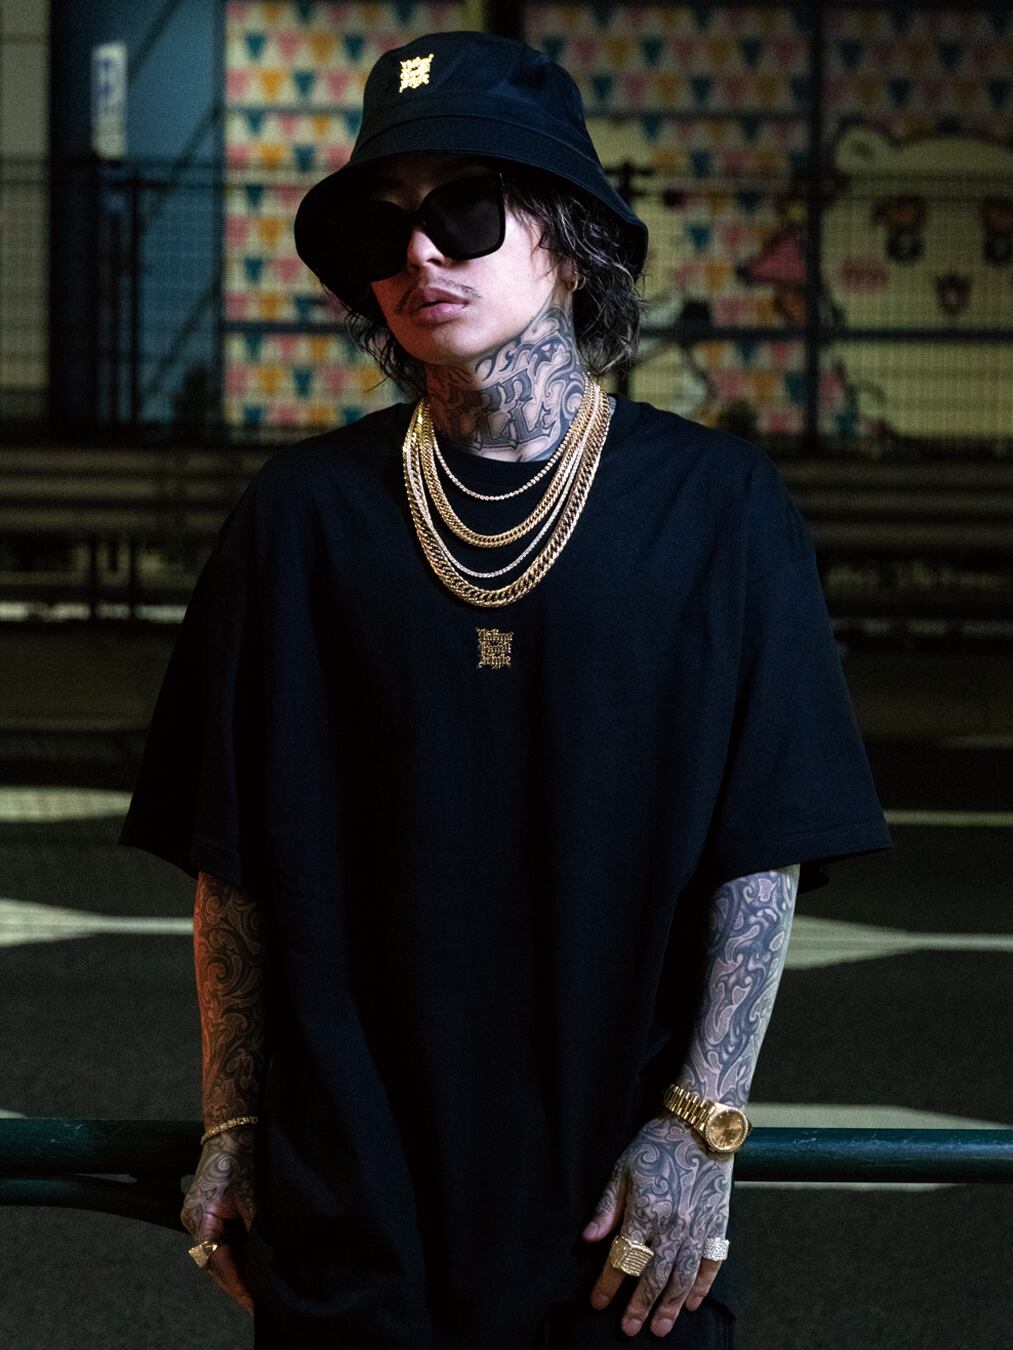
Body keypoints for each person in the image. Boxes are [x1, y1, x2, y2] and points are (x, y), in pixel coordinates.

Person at [119, 30, 892, 1350]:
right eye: (383, 228)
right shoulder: (300, 519)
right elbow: (230, 865)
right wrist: (233, 1122)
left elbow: (757, 853)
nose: (421, 253)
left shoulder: (716, 510)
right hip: (349, 1203)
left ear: (570, 240)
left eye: (466, 210)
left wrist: (699, 1126)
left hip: (609, 1215)